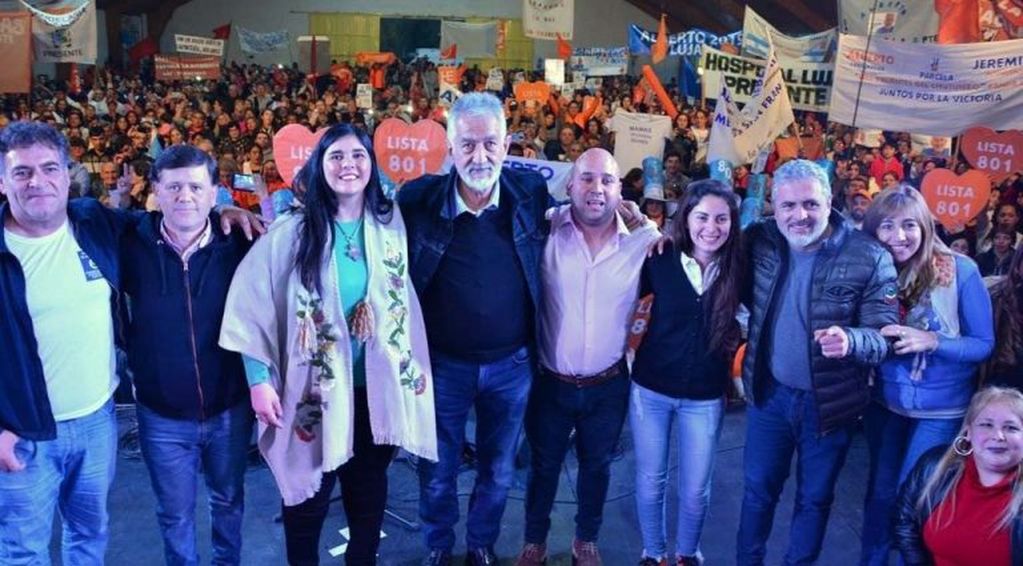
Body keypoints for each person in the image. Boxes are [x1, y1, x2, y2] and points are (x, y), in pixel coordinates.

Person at [0, 121, 261, 565]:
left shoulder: (95, 225)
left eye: (49, 168)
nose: (38, 181)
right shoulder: (128, 237)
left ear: (67, 174)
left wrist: (227, 211)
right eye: (22, 172)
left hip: (99, 420)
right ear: (2, 181)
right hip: (23, 431)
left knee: (89, 535)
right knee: (23, 550)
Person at [220, 123, 437, 566]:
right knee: (307, 491)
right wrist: (259, 380)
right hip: (312, 392)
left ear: (372, 165)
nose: (348, 165)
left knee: (368, 486)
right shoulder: (293, 230)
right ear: (320, 166)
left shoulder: (388, 222)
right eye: (336, 156)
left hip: (373, 390)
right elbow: (250, 302)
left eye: (358, 155)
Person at [398, 92, 552, 566]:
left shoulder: (531, 195)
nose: (479, 156)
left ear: (507, 145)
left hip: (513, 365)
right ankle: (440, 547)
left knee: (499, 470)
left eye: (490, 144)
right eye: (467, 144)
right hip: (442, 366)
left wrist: (636, 223)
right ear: (450, 146)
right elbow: (354, 217)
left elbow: (586, 217)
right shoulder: (418, 200)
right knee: (437, 470)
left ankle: (481, 544)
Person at [736, 159, 899, 565]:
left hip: (829, 407)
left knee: (814, 500)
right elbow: (703, 242)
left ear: (829, 201)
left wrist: (852, 340)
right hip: (768, 397)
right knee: (757, 492)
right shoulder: (758, 240)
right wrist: (646, 228)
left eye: (810, 203)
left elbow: (885, 336)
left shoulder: (869, 255)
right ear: (774, 205)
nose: (799, 215)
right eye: (788, 206)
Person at [515, 148, 660, 566]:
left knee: (597, 467)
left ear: (620, 190)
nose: (597, 188)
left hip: (608, 384)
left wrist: (647, 221)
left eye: (607, 180)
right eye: (588, 178)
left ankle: (586, 540)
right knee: (542, 467)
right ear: (570, 185)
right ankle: (534, 541)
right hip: (550, 383)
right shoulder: (543, 232)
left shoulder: (643, 242)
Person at [119, 145, 255, 565]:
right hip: (161, 416)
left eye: (196, 186)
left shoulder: (243, 243)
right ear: (155, 191)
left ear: (215, 193)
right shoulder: (130, 240)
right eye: (173, 186)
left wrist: (240, 211)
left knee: (228, 503)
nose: (185, 196)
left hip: (229, 409)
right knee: (175, 516)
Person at [859, 185, 995, 566]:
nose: (897, 237)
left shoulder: (961, 270)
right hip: (884, 404)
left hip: (941, 410)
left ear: (925, 227)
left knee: (912, 496)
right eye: (886, 226)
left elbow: (983, 343)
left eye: (908, 226)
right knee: (879, 493)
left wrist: (933, 340)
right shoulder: (870, 269)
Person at [631, 180, 744, 566]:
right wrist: (647, 229)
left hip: (705, 394)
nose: (711, 227)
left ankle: (686, 554)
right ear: (685, 217)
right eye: (701, 217)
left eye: (721, 218)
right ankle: (654, 552)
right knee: (651, 481)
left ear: (733, 222)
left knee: (696, 489)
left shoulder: (739, 270)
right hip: (651, 388)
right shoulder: (659, 257)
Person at [893, 387, 1023, 564]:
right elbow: (905, 521)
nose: (998, 436)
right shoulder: (934, 466)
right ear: (968, 432)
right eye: (986, 424)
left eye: (1011, 427)